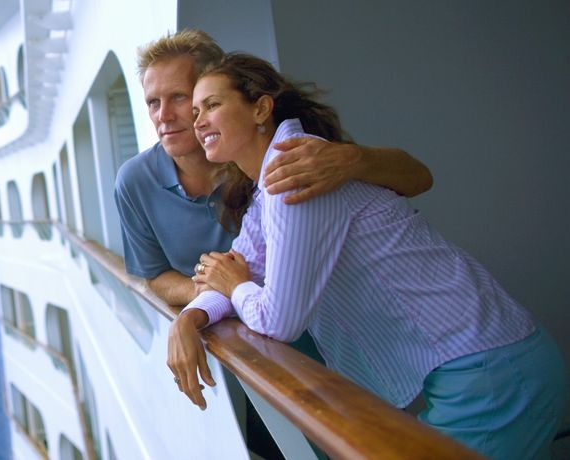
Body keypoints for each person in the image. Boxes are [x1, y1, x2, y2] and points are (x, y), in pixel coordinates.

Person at [167, 52, 567, 459]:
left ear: (261, 108)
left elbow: (277, 319)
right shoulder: (271, 184)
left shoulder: (295, 172)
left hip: (492, 375)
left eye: (212, 105)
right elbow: (235, 268)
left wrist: (237, 288)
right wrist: (188, 319)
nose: (197, 121)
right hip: (488, 368)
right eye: (196, 110)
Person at [115, 29, 433, 306]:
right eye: (153, 102)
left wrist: (353, 159)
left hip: (347, 316)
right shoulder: (134, 181)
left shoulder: (273, 154)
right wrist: (208, 293)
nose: (163, 116)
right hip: (248, 338)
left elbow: (419, 179)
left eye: (179, 97)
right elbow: (153, 274)